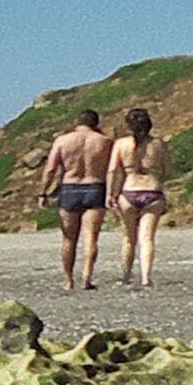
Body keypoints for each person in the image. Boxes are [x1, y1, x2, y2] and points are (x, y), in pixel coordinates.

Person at [43, 108, 117, 291]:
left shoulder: (63, 140)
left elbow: (51, 168)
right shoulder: (104, 141)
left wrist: (43, 192)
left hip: (70, 188)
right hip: (95, 187)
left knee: (69, 239)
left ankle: (68, 280)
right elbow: (112, 169)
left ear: (78, 122)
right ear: (96, 123)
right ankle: (86, 277)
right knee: (90, 237)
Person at [109, 106, 173, 287]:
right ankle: (145, 278)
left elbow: (113, 170)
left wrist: (111, 194)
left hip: (129, 191)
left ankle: (126, 274)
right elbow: (168, 170)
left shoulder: (121, 144)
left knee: (129, 238)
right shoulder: (158, 144)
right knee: (147, 238)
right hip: (152, 192)